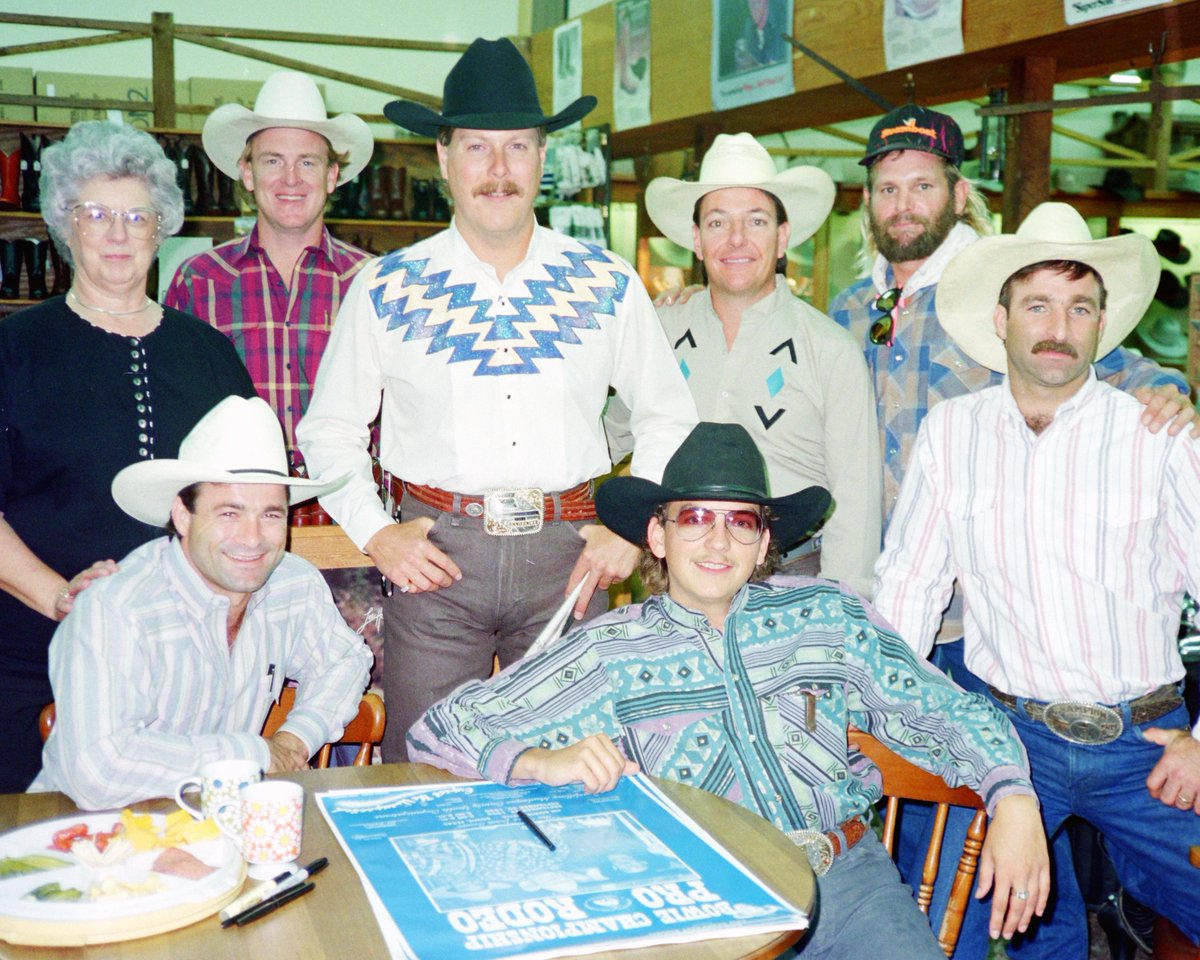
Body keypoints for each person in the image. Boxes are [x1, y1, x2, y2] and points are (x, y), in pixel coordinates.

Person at [409, 421, 1050, 960]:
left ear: (765, 540)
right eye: (694, 518)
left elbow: (943, 710)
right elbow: (438, 731)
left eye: (740, 522)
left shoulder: (827, 616)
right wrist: (541, 760)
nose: (718, 541)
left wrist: (1013, 796)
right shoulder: (607, 650)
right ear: (657, 536)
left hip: (851, 884)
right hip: (709, 896)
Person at [825, 104, 1196, 955]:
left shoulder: (1154, 431)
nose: (1056, 328)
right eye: (1035, 305)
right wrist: (880, 717)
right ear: (1000, 320)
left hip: (1146, 740)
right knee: (944, 926)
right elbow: (911, 589)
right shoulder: (953, 428)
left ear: (1105, 323)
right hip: (1004, 728)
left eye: (1078, 306)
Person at [297, 38, 696, 763]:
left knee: (579, 771)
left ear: (543, 157)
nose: (499, 170)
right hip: (435, 554)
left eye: (518, 146)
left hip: (570, 555)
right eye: (478, 148)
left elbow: (669, 414)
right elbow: (328, 429)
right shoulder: (385, 288)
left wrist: (629, 528)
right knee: (425, 766)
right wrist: (375, 532)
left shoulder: (605, 282)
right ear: (443, 158)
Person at [0, 121, 256, 794]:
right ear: (65, 223)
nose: (118, 233)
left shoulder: (210, 355)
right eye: (97, 214)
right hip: (33, 655)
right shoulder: (14, 351)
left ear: (161, 227)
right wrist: (60, 597)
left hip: (186, 664)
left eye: (136, 215)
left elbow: (245, 502)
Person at [34, 396, 372, 810]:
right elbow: (97, 773)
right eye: (229, 513)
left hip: (214, 826)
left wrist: (295, 737)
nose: (252, 538)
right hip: (89, 840)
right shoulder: (115, 606)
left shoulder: (292, 583)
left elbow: (346, 662)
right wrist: (255, 755)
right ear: (182, 515)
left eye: (270, 515)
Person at [643, 132, 881, 595]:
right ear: (696, 239)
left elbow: (856, 501)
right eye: (717, 223)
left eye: (755, 221)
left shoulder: (831, 350)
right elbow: (602, 434)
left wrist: (843, 613)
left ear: (782, 237)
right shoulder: (658, 333)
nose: (736, 240)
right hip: (676, 581)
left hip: (793, 579)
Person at [165, 71, 374, 468]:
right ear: (248, 173)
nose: (290, 179)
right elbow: (180, 409)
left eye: (308, 162)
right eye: (273, 160)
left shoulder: (372, 281)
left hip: (349, 511)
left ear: (332, 176)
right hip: (241, 510)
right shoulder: (199, 281)